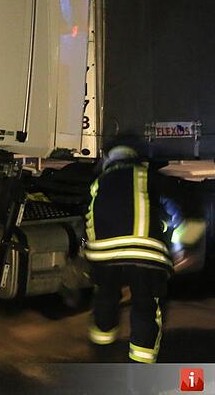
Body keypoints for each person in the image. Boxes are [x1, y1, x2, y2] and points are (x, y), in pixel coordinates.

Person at [84, 137, 173, 363]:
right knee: (145, 306)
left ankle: (101, 351)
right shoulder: (148, 177)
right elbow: (170, 214)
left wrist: (90, 256)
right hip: (146, 254)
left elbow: (89, 218)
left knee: (105, 298)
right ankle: (141, 363)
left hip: (104, 255)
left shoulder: (99, 182)